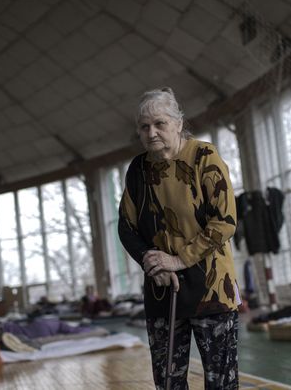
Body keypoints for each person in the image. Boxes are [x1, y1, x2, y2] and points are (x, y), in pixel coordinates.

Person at [118, 87, 240, 389]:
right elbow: (126, 227)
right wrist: (155, 266)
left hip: (211, 290)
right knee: (168, 383)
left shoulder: (204, 157)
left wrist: (177, 260)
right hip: (162, 289)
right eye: (144, 127)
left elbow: (224, 221)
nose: (152, 132)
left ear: (179, 124)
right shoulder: (138, 169)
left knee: (221, 383)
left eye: (160, 123)